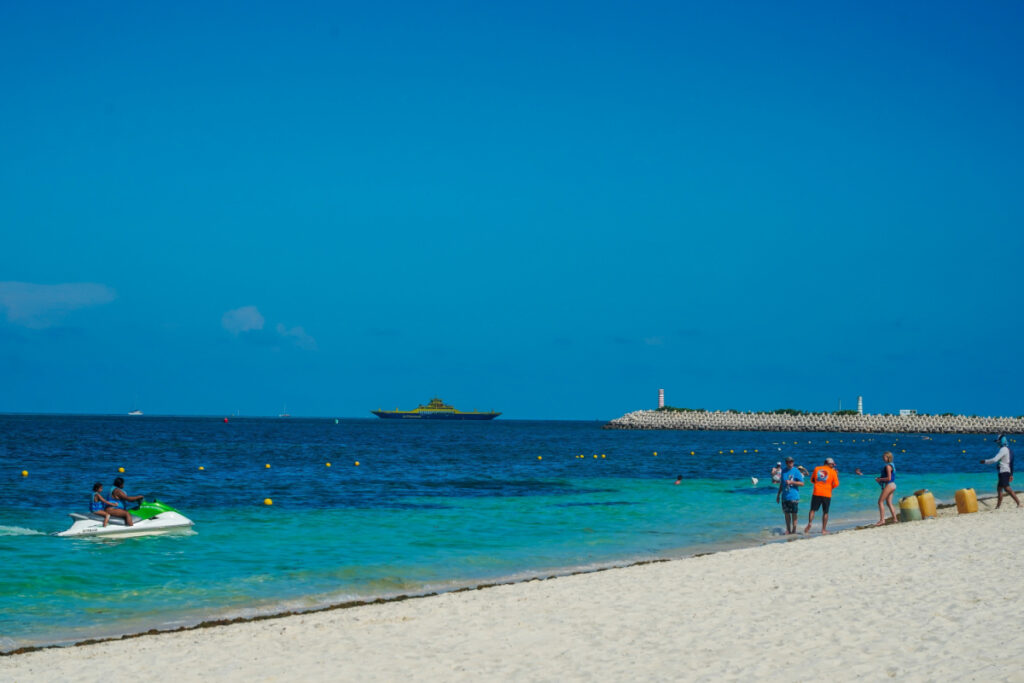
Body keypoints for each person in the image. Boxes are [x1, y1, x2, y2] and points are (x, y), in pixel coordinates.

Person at [980, 435, 1021, 508]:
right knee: (999, 488)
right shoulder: (1009, 450)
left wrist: (985, 461)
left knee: (1007, 488)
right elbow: (1011, 463)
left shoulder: (1003, 450)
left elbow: (995, 459)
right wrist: (1011, 474)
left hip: (1004, 471)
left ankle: (1018, 503)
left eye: (998, 442)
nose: (997, 444)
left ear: (1001, 442)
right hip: (1005, 471)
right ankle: (998, 506)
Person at [804, 457, 839, 534]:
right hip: (827, 494)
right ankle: (823, 529)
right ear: (828, 463)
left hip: (817, 492)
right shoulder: (833, 472)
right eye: (832, 464)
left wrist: (819, 484)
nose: (833, 466)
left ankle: (810, 523)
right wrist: (830, 487)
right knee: (825, 512)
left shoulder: (817, 469)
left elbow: (812, 480)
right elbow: (836, 484)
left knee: (812, 510)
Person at [775, 456, 804, 534]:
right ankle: (788, 529)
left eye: (792, 461)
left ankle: (794, 530)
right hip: (785, 496)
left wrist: (792, 482)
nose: (791, 463)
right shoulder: (783, 471)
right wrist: (778, 495)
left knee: (794, 513)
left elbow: (802, 483)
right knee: (786, 514)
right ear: (786, 463)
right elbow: (781, 484)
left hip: (794, 496)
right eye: (789, 462)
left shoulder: (796, 471)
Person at [874, 452, 898, 526]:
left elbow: (889, 478)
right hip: (893, 485)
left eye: (884, 457)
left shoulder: (888, 466)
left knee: (880, 502)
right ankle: (895, 519)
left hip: (890, 485)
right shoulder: (892, 465)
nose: (883, 458)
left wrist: (880, 479)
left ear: (888, 457)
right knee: (889, 502)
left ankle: (882, 520)